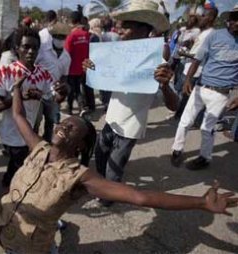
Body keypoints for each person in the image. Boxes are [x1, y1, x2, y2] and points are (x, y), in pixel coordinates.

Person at [0, 55, 238, 254]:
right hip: (5, 230)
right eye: (64, 124)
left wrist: (201, 202)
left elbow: (140, 197)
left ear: (80, 147)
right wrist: (18, 87)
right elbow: (19, 116)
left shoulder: (79, 177)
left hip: (32, 248)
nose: (63, 126)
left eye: (72, 128)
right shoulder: (38, 147)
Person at [83, 0, 178, 207]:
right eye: (121, 25)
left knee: (113, 169)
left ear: (144, 28)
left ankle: (107, 199)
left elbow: (174, 105)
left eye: (126, 25)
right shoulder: (117, 53)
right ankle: (104, 189)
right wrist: (90, 68)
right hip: (111, 119)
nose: (120, 29)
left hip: (130, 127)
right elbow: (103, 76)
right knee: (100, 154)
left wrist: (165, 85)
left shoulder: (158, 62)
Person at [0, 27, 67, 188]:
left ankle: (9, 183)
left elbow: (55, 97)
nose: (30, 51)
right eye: (26, 47)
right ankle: (13, 189)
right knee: (22, 164)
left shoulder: (43, 73)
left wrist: (63, 93)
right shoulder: (5, 72)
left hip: (31, 130)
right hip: (12, 133)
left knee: (21, 163)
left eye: (34, 47)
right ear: (17, 48)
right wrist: (19, 96)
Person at [171, 4, 238, 170]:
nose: (237, 23)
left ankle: (204, 158)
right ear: (228, 20)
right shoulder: (215, 36)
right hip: (201, 87)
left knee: (207, 128)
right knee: (185, 121)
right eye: (234, 18)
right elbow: (198, 59)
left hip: (221, 94)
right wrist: (188, 80)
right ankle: (177, 150)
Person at [174, 5, 218, 120]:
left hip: (195, 72)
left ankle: (185, 118)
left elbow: (200, 56)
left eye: (202, 16)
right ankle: (179, 115)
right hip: (188, 68)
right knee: (181, 94)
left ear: (210, 18)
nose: (199, 18)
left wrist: (184, 54)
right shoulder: (203, 33)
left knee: (186, 97)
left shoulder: (210, 34)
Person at [35, 22, 72, 142]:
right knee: (35, 121)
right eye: (57, 36)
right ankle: (33, 145)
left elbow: (64, 77)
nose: (59, 39)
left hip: (53, 94)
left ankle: (47, 144)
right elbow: (33, 66)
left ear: (66, 38)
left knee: (50, 122)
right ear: (52, 36)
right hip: (38, 92)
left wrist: (61, 90)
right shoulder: (42, 50)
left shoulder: (67, 57)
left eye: (62, 37)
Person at [65, 11, 90, 115]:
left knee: (72, 89)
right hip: (83, 67)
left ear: (71, 21)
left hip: (71, 68)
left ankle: (75, 107)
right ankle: (76, 107)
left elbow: (66, 53)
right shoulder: (87, 35)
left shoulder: (71, 36)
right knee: (77, 88)